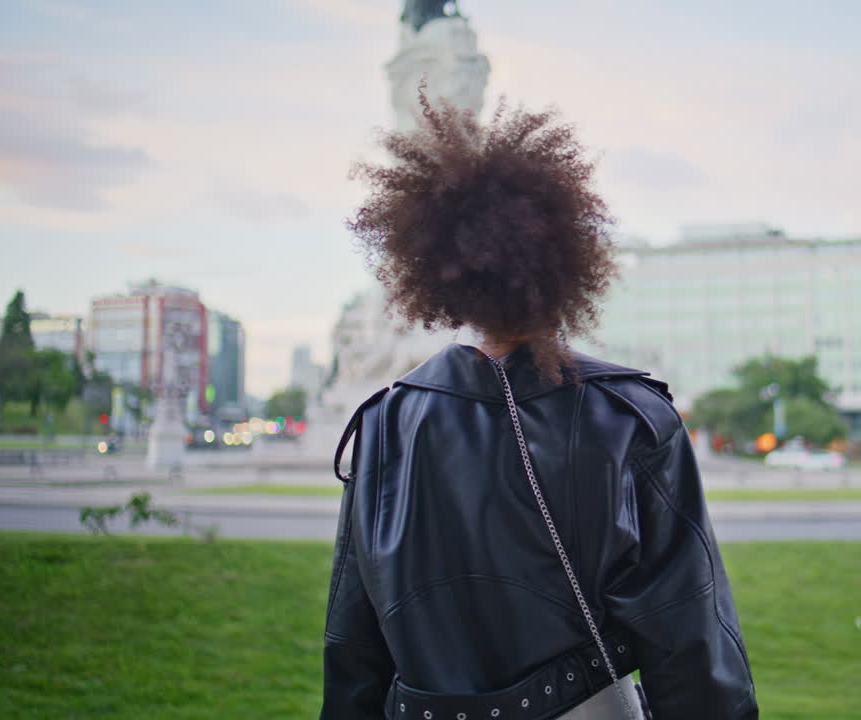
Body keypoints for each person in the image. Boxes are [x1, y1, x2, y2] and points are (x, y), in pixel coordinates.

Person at [320, 95, 759, 720]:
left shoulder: (385, 423)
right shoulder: (630, 418)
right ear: (570, 263)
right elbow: (690, 643)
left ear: (441, 277)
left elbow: (352, 643)